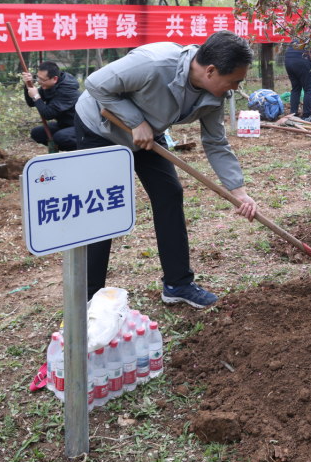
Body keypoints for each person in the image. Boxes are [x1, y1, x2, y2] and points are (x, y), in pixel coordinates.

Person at [73, 32, 260, 306]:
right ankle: (88, 300)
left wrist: (238, 191)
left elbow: (216, 142)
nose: (235, 88)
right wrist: (135, 121)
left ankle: (177, 283)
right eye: (234, 81)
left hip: (149, 132)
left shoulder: (214, 95)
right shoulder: (154, 64)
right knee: (103, 207)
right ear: (210, 71)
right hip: (101, 129)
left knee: (169, 194)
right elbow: (95, 83)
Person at [21, 61, 81, 150]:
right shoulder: (49, 85)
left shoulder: (66, 90)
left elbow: (48, 114)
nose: (39, 82)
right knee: (37, 133)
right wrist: (28, 86)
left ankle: (84, 149)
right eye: (38, 78)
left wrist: (37, 97)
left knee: (60, 137)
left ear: (54, 79)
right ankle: (61, 152)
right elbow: (31, 102)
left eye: (42, 79)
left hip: (81, 126)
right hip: (65, 124)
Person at [284, 35, 311, 121]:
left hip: (288, 59)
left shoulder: (304, 35)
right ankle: (307, 116)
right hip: (301, 59)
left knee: (296, 88)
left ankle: (293, 115)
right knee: (309, 88)